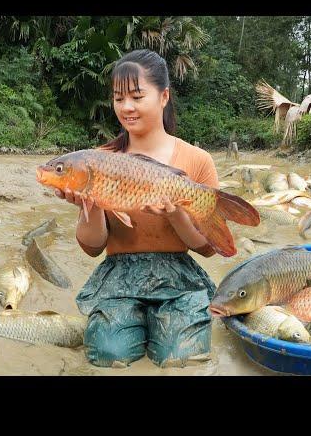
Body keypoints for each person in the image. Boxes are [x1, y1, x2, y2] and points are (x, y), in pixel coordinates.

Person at [53, 49, 219, 368]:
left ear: (164, 96)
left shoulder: (197, 161)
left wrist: (175, 213)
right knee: (107, 353)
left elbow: (209, 248)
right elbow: (92, 247)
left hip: (178, 276)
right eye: (118, 98)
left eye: (137, 96)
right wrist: (90, 207)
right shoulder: (97, 159)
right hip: (118, 275)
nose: (126, 107)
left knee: (181, 357)